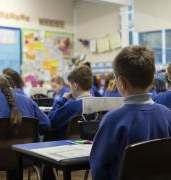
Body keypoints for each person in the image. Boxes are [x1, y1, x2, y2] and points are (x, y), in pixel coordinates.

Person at [90, 45, 171, 180]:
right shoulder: (168, 115)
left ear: (121, 82)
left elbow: (98, 169)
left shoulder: (112, 120)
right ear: (152, 80)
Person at [48, 65, 93, 138]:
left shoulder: (73, 105)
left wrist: (62, 100)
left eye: (70, 85)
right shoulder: (99, 103)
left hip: (67, 144)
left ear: (75, 86)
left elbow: (50, 121)